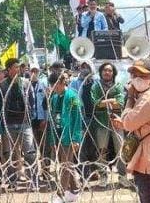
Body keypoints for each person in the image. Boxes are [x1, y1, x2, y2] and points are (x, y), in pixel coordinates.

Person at [110, 59, 150, 203]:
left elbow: (128, 122)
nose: (137, 79)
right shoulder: (146, 95)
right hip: (149, 158)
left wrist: (130, 98)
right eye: (134, 75)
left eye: (142, 75)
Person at [0, 57, 38, 190]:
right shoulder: (2, 85)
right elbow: (0, 106)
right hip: (9, 123)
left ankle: (34, 180)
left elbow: (32, 102)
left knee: (30, 152)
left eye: (19, 67)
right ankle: (12, 181)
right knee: (9, 154)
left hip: (24, 123)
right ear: (9, 69)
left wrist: (30, 116)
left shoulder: (26, 83)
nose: (18, 69)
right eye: (15, 67)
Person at [90, 62, 128, 187]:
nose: (107, 72)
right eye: (105, 70)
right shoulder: (96, 86)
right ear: (101, 72)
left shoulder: (118, 86)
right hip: (101, 122)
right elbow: (94, 103)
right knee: (102, 150)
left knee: (120, 149)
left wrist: (104, 102)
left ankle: (123, 176)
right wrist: (111, 101)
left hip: (116, 122)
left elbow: (120, 103)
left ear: (113, 73)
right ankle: (103, 176)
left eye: (110, 70)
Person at [47, 70, 82, 203]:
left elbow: (77, 119)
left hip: (69, 136)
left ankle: (60, 194)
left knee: (65, 166)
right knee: (66, 164)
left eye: (56, 85)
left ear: (63, 82)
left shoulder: (72, 97)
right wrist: (53, 139)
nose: (54, 88)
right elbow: (52, 119)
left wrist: (76, 139)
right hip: (58, 134)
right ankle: (74, 191)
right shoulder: (54, 97)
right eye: (52, 86)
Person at [69, 61, 97, 180]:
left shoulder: (97, 83)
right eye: (82, 67)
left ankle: (94, 171)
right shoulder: (74, 83)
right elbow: (72, 98)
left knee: (95, 146)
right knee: (82, 147)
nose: (84, 69)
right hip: (81, 119)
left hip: (96, 118)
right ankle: (84, 174)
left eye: (87, 67)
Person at [29, 66, 50, 181]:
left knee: (44, 147)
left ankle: (46, 171)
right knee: (32, 148)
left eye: (36, 71)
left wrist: (45, 119)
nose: (34, 73)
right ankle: (34, 173)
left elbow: (47, 103)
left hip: (41, 119)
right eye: (32, 71)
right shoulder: (26, 85)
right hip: (30, 120)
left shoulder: (43, 84)